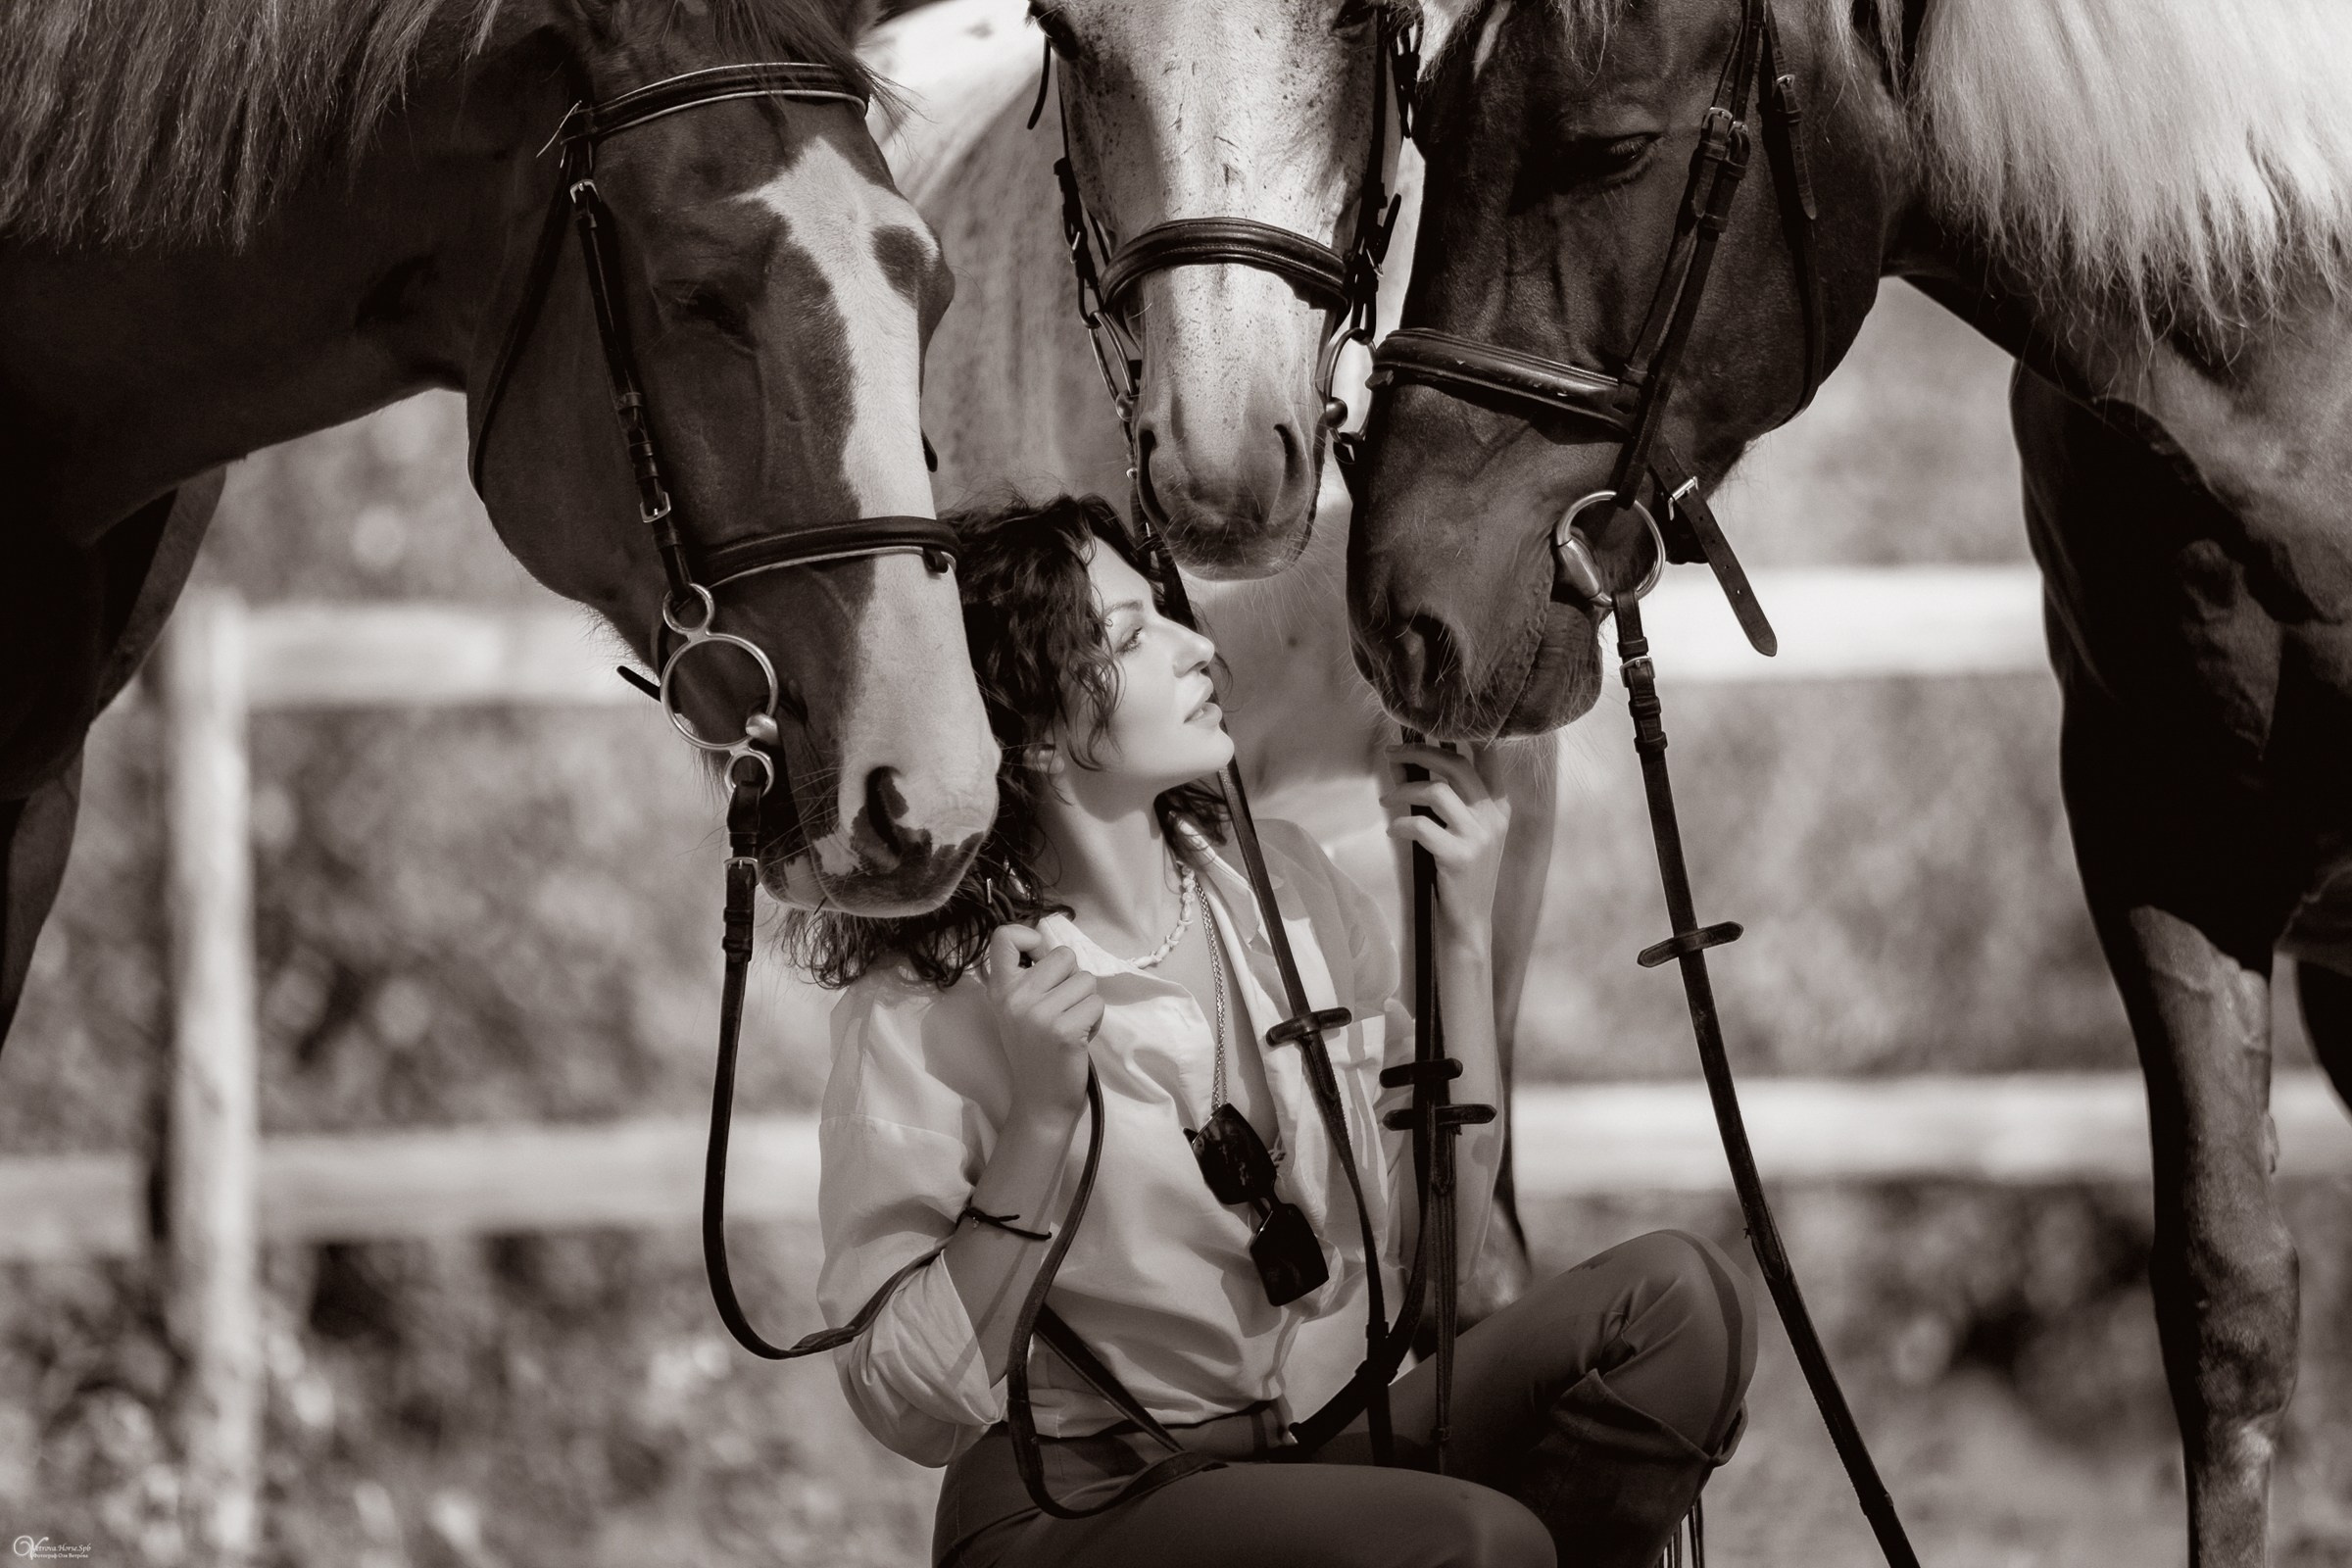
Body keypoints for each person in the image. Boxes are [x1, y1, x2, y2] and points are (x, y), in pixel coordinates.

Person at [791, 495, 1756, 1568]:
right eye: (1128, 637)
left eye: (1165, 614)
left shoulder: (1284, 891)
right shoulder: (922, 1010)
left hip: (1304, 1457)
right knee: (1479, 1545)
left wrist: (1460, 939)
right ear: (1030, 742)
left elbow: (1437, 1259)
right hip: (1069, 1509)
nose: (1198, 645)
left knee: (1684, 1306)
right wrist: (1039, 1124)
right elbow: (900, 1400)